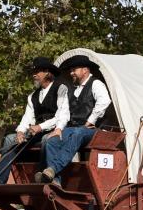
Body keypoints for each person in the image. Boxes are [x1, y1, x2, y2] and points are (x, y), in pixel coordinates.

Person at [0, 57, 69, 185]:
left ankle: (44, 177)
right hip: (36, 132)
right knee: (10, 139)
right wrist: (20, 132)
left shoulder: (61, 89)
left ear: (47, 72)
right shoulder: (33, 96)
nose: (34, 75)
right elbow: (27, 117)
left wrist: (40, 127)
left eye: (37, 72)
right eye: (34, 72)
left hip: (56, 130)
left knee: (46, 140)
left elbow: (62, 115)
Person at [37, 55, 111, 184]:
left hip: (93, 130)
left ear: (85, 70)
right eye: (71, 71)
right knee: (51, 140)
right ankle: (55, 181)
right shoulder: (71, 89)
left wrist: (90, 121)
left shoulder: (96, 84)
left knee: (79, 132)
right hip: (73, 128)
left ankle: (53, 168)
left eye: (74, 70)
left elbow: (104, 101)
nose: (71, 73)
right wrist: (58, 129)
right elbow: (64, 112)